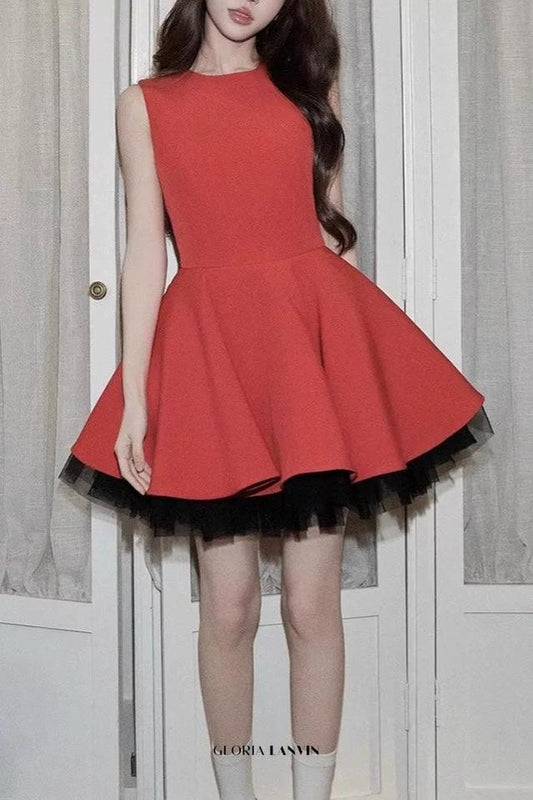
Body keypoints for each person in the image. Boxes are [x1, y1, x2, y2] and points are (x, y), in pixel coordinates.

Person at [58, 1, 494, 798]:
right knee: (227, 610)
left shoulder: (306, 88)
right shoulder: (145, 105)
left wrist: (354, 366)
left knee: (309, 605)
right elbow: (144, 251)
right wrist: (137, 399)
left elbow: (331, 233)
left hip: (306, 356)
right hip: (211, 358)